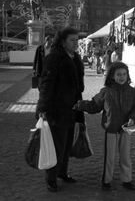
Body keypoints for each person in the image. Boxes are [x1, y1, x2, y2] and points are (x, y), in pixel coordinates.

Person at [73, 62, 135, 191]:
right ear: (112, 76)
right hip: (111, 129)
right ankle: (106, 181)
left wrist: (134, 119)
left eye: (124, 74)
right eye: (118, 74)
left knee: (125, 156)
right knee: (109, 157)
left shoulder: (133, 92)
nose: (122, 77)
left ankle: (127, 180)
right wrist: (79, 105)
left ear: (127, 75)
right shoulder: (106, 92)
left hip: (126, 129)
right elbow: (94, 106)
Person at [36, 27, 85, 192]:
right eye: (72, 40)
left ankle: (62, 172)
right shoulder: (54, 58)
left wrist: (80, 105)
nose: (76, 43)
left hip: (72, 108)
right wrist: (43, 107)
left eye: (77, 40)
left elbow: (78, 85)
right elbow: (46, 84)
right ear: (63, 41)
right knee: (56, 146)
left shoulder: (75, 57)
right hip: (57, 109)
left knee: (66, 145)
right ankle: (51, 178)